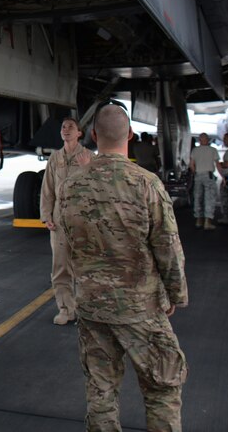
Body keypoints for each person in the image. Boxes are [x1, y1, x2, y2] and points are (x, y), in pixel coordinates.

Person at [59, 102, 188, 432]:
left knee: (101, 392)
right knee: (162, 387)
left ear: (92, 135)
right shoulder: (146, 183)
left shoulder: (71, 185)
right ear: (130, 135)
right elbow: (167, 247)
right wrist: (175, 294)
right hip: (139, 305)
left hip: (91, 305)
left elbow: (70, 241)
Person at [39, 117, 92, 325]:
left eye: (71, 127)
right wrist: (46, 216)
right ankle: (66, 310)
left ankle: (85, 310)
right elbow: (47, 189)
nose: (66, 129)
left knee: (85, 267)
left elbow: (97, 189)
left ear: (80, 133)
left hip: (83, 221)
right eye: (63, 127)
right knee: (60, 268)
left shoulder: (89, 157)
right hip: (60, 221)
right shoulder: (55, 158)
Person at [189, 133, 221, 230]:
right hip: (208, 175)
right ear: (207, 140)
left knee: (198, 197)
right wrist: (223, 177)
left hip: (198, 175)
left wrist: (195, 173)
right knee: (209, 198)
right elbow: (218, 165)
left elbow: (191, 165)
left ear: (200, 140)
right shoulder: (213, 150)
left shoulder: (195, 150)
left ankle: (198, 220)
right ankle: (207, 221)